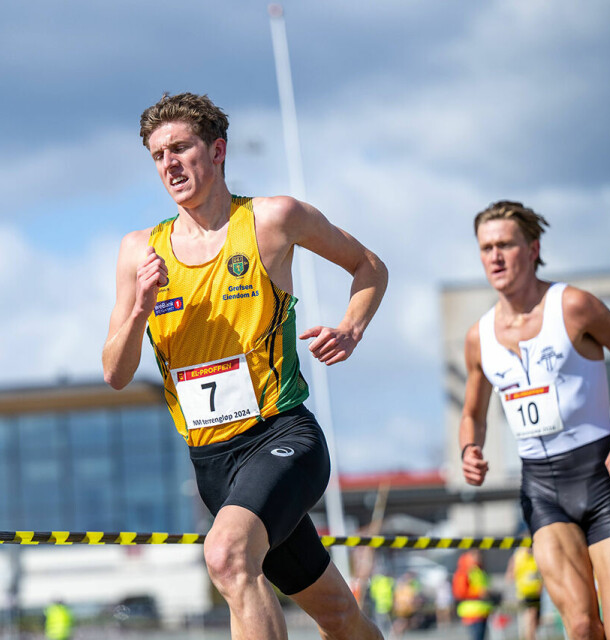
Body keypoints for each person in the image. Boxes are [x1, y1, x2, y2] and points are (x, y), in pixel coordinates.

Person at [103, 92, 387, 640]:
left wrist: (351, 326)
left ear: (217, 151)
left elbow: (369, 266)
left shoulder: (271, 219)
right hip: (213, 463)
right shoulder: (140, 251)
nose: (170, 164)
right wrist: (139, 306)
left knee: (229, 558)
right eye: (159, 154)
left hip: (282, 439)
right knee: (337, 615)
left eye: (181, 147)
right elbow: (115, 372)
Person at [459, 200, 610, 640]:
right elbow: (472, 413)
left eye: (505, 245)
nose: (494, 256)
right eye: (486, 247)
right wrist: (468, 448)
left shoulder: (572, 305)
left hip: (600, 476)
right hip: (542, 489)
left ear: (532, 249)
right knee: (582, 626)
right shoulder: (479, 338)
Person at [452, 550, 493, 640]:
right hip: (472, 613)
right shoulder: (464, 570)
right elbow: (460, 592)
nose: (479, 557)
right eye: (475, 555)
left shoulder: (479, 570)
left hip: (482, 612)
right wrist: (479, 593)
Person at [506, 546, 542, 640]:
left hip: (536, 593)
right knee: (530, 619)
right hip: (525, 593)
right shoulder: (518, 557)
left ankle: (530, 636)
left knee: (535, 622)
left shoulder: (536, 556)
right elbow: (510, 575)